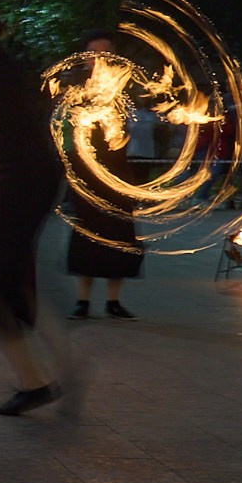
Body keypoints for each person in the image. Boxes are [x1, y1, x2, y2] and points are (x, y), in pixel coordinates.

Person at [0, 0, 72, 415]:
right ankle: (51, 371)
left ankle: (40, 379)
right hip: (29, 175)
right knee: (5, 275)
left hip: (24, 178)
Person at [65, 31, 143, 320]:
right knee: (88, 237)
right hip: (87, 176)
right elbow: (66, 134)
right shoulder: (76, 92)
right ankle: (82, 301)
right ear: (85, 58)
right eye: (94, 54)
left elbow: (125, 132)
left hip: (117, 176)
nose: (100, 60)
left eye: (106, 53)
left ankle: (113, 301)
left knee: (120, 239)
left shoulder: (122, 92)